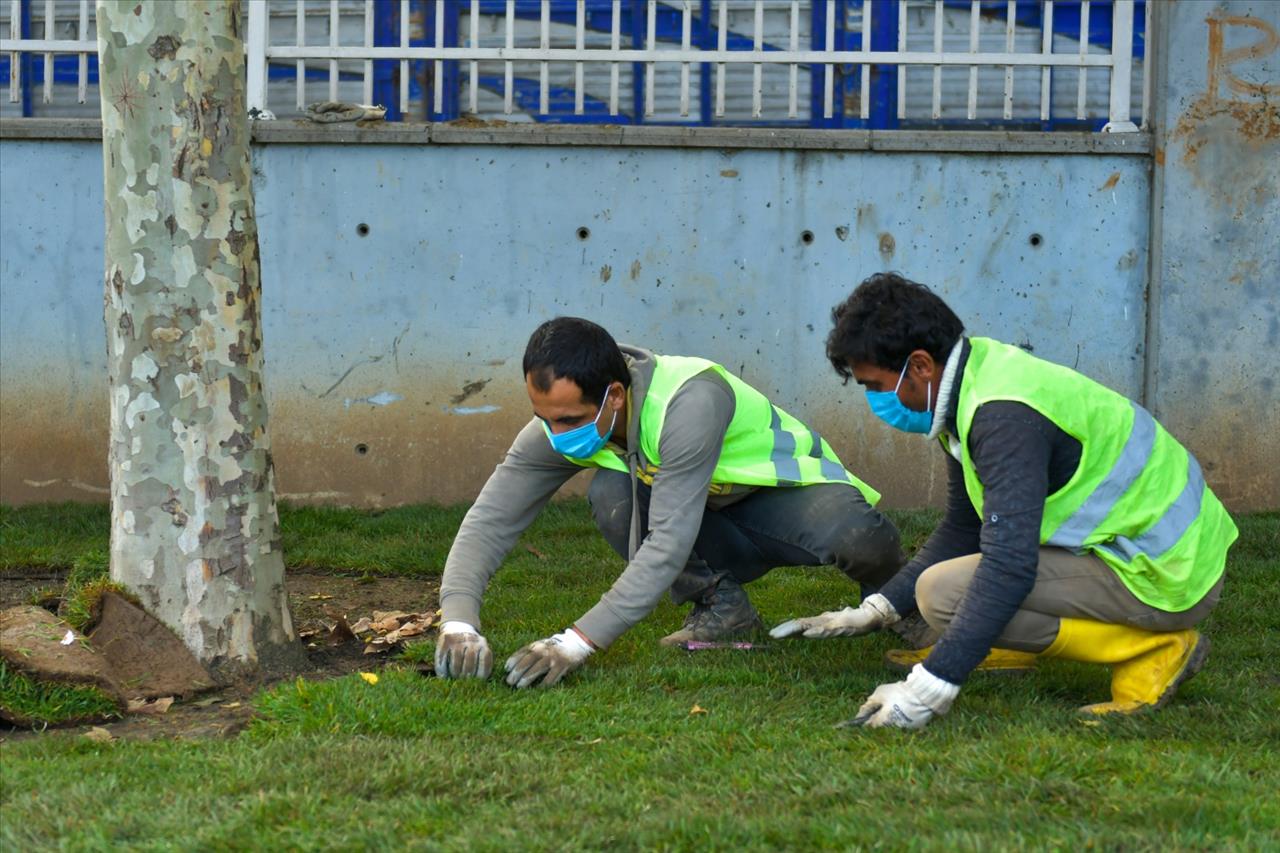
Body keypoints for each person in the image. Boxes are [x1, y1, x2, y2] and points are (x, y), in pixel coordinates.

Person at [772, 273, 1237, 729]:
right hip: (1146, 549)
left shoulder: (1001, 417)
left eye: (875, 385)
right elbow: (964, 525)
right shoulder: (973, 380)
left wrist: (930, 688)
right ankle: (1000, 640)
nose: (874, 399)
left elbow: (1009, 566)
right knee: (941, 588)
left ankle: (1152, 650)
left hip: (1165, 576)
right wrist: (877, 608)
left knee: (944, 594)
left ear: (920, 366)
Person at [435, 316, 904, 688]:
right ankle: (726, 614)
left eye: (568, 419)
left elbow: (667, 543)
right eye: (544, 419)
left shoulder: (688, 402)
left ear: (614, 396)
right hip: (708, 514)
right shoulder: (567, 421)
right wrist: (459, 623)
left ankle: (900, 601)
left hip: (785, 500)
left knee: (857, 536)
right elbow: (491, 520)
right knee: (613, 494)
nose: (555, 435)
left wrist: (575, 643)